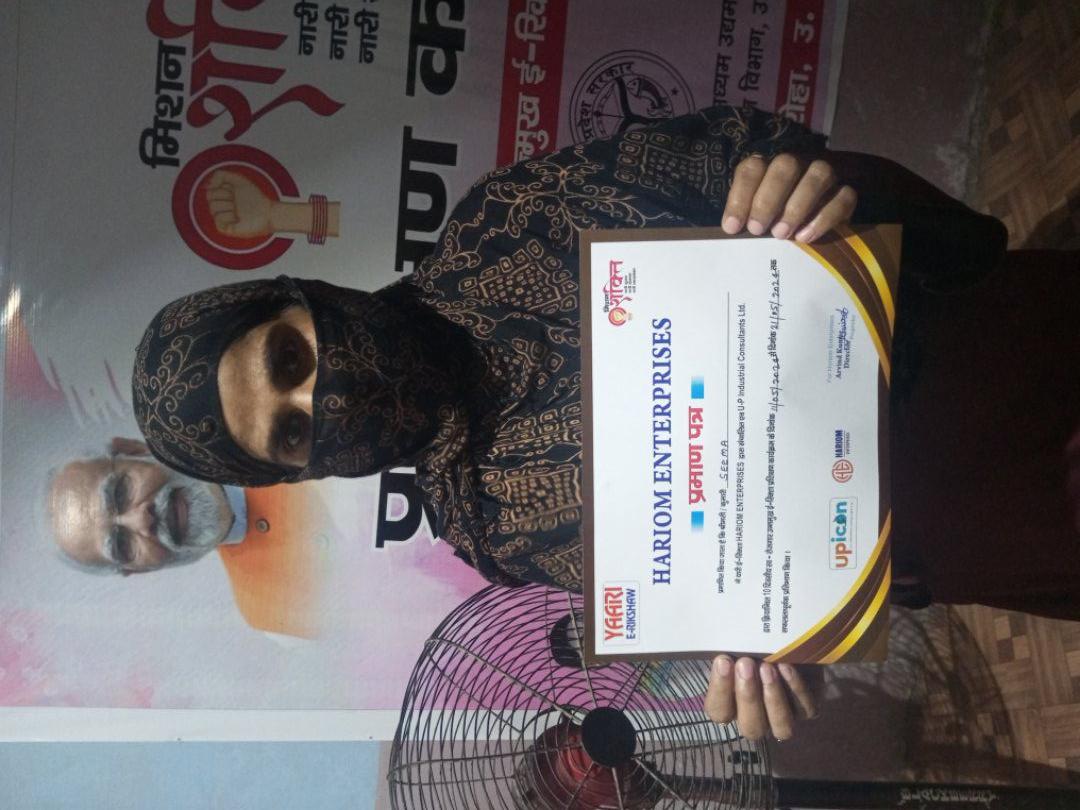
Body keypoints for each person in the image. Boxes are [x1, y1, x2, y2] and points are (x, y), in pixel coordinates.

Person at [131, 104, 1080, 742]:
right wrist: (764, 659)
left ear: (297, 295)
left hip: (986, 353)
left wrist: (785, 183)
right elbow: (731, 604)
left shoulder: (507, 223)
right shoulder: (487, 526)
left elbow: (743, 150)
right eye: (293, 435)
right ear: (301, 477)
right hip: (988, 529)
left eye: (289, 360)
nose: (323, 399)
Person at [47, 437, 332, 638]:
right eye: (122, 544)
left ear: (137, 449)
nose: (142, 521)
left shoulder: (279, 426)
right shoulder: (269, 615)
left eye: (121, 492)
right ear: (140, 570)